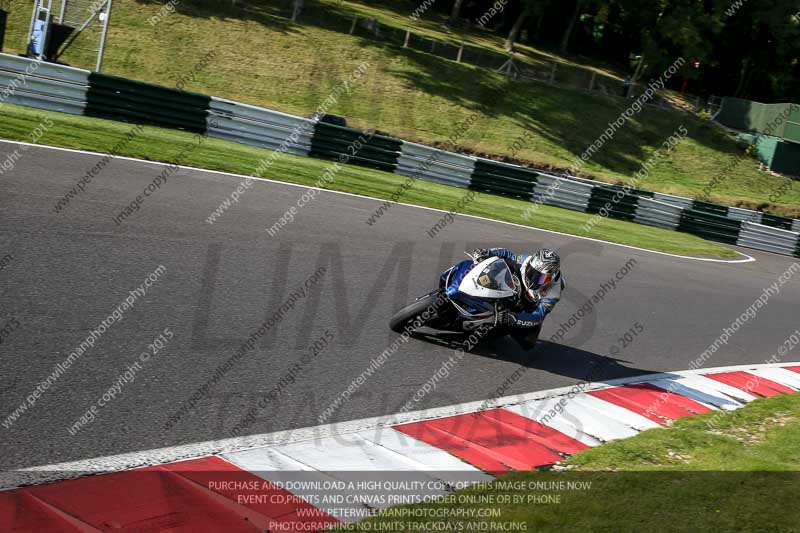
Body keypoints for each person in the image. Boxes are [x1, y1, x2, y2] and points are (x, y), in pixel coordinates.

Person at [471, 247, 564, 349]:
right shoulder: (526, 260)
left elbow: (538, 315)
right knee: (500, 264)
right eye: (532, 272)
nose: (533, 278)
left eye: (540, 278)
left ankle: (501, 327)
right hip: (515, 285)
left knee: (528, 342)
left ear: (550, 278)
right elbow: (507, 254)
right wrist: (487, 252)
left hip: (529, 305)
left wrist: (514, 318)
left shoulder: (553, 292)